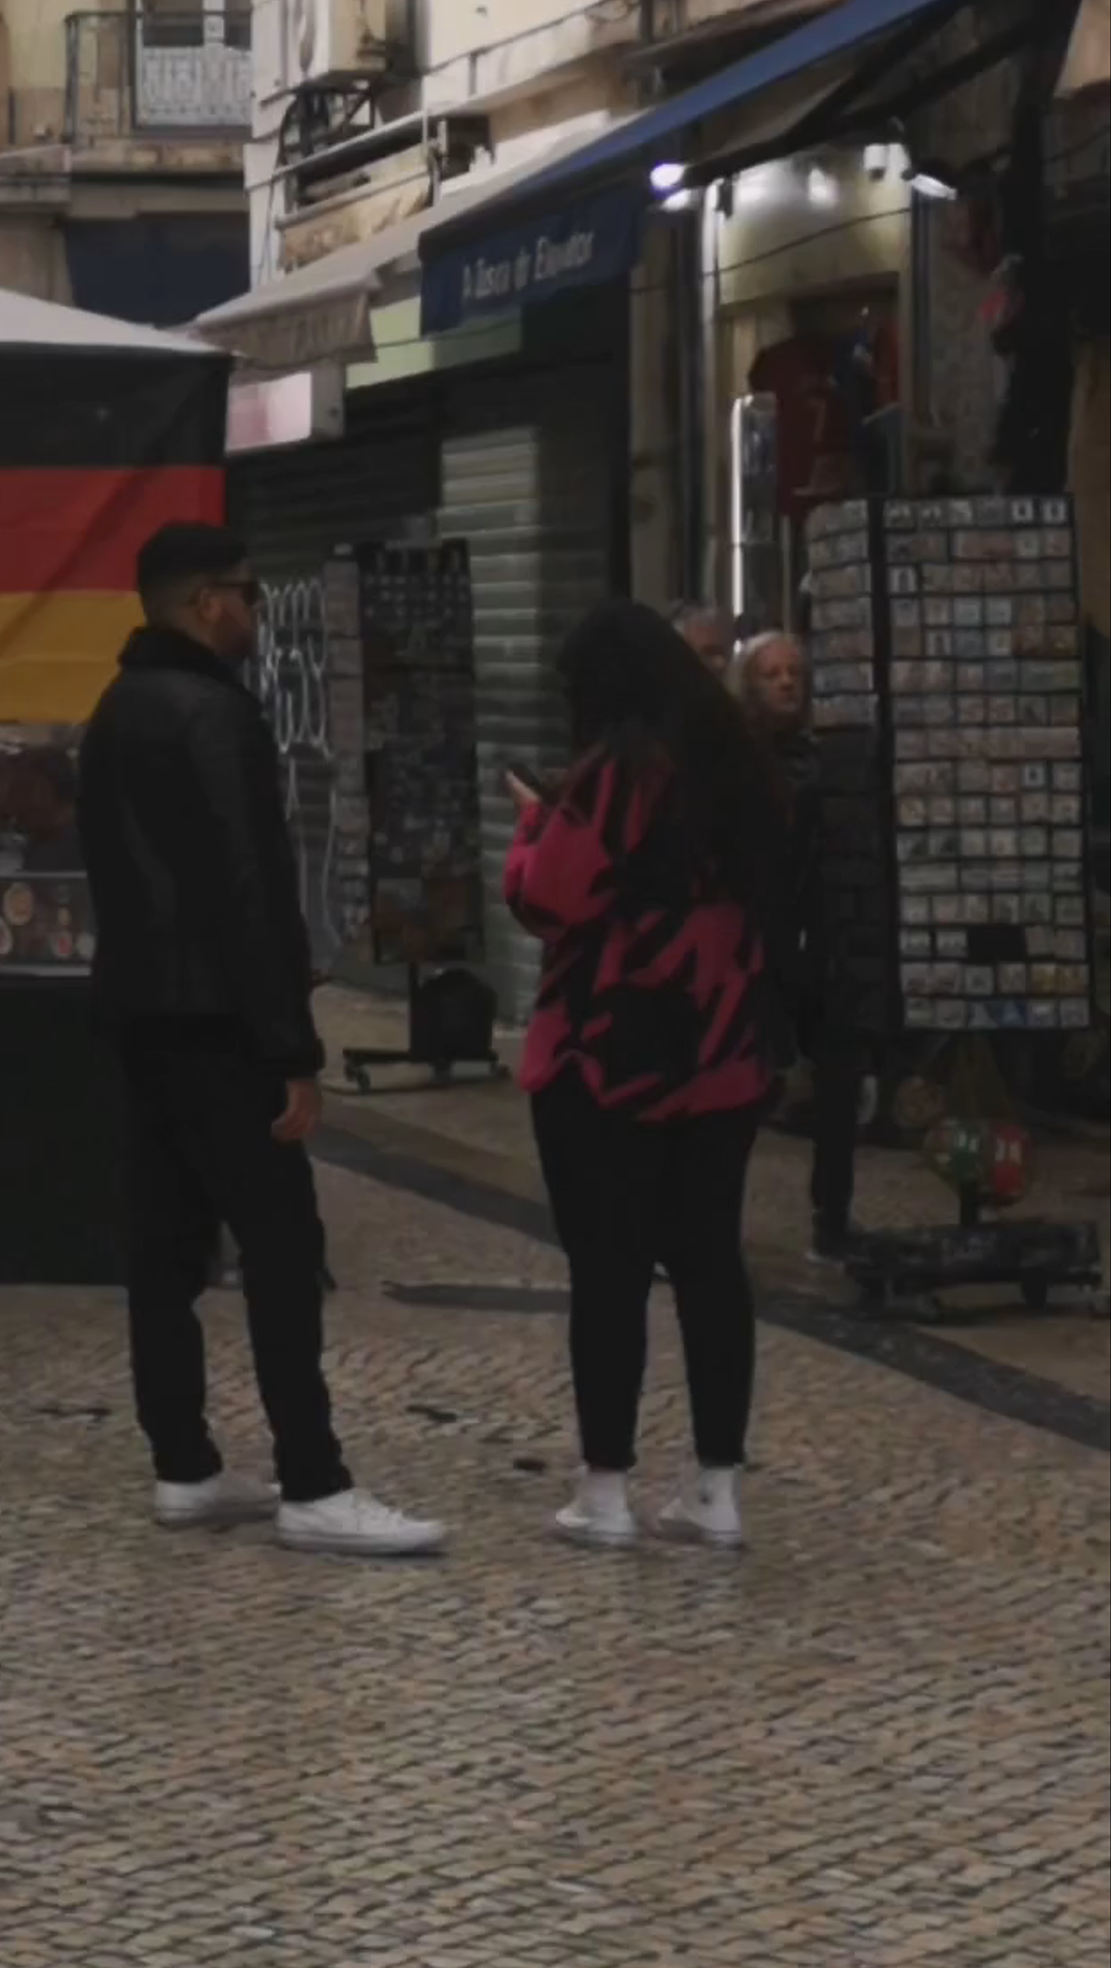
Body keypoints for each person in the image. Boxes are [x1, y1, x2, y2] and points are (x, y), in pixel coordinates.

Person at [74, 516, 447, 1560]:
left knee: (163, 1251)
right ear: (205, 603)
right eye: (246, 590)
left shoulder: (111, 711)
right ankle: (315, 1480)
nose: (255, 608)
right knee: (284, 1250)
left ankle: (184, 1463)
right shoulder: (215, 715)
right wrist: (291, 1048)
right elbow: (249, 884)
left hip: (140, 1017)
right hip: (223, 1027)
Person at [508, 598, 786, 1550]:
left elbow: (550, 898)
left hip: (608, 1059)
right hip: (723, 1057)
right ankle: (716, 1488)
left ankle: (606, 1489)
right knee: (711, 1263)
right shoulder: (740, 763)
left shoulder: (618, 773)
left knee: (610, 1270)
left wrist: (532, 827)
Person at [735, 621, 862, 1266]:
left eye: (794, 674)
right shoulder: (730, 757)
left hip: (815, 940)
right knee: (741, 1092)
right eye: (772, 674)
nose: (786, 684)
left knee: (838, 1077)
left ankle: (832, 1217)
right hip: (752, 942)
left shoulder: (821, 757)